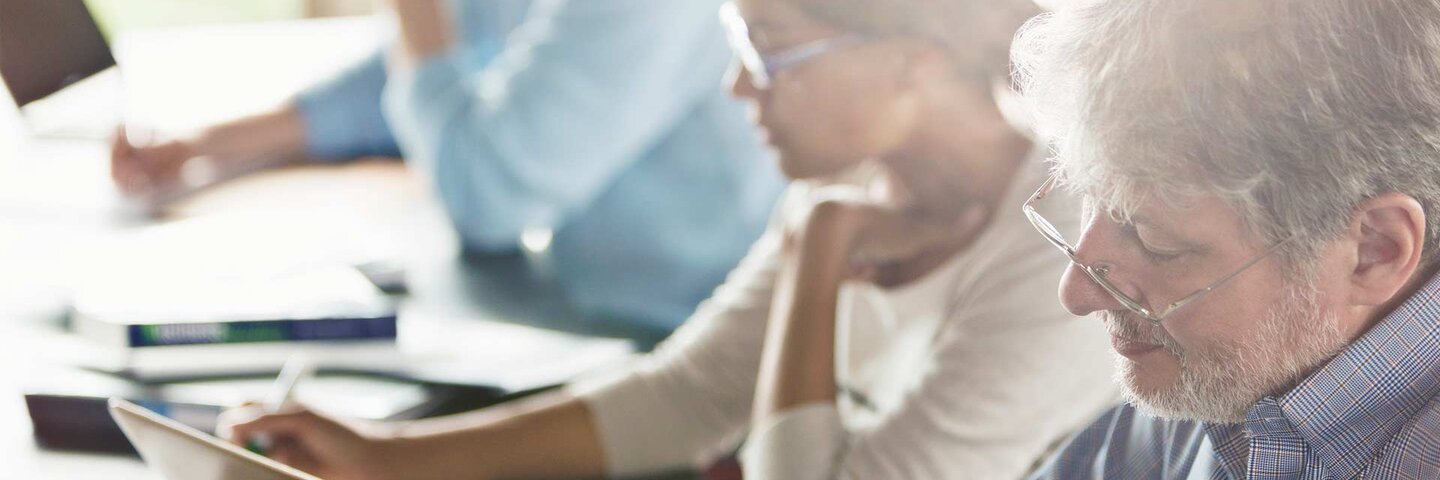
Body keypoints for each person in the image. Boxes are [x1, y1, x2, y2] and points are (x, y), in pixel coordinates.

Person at [221, 0, 1118, 478]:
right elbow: (690, 393)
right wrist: (382, 459)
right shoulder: (856, 177)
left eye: (768, 49)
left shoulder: (1060, 243)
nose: (738, 88)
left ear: (912, 57)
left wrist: (815, 258)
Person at [109, 0, 786, 330]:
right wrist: (206, 144)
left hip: (664, 333)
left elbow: (486, 198)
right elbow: (446, 58)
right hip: (584, 301)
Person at [1013, 0, 1440, 477]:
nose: (1075, 293)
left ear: (1375, 252)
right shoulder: (1222, 378)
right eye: (1088, 199)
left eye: (1158, 244)